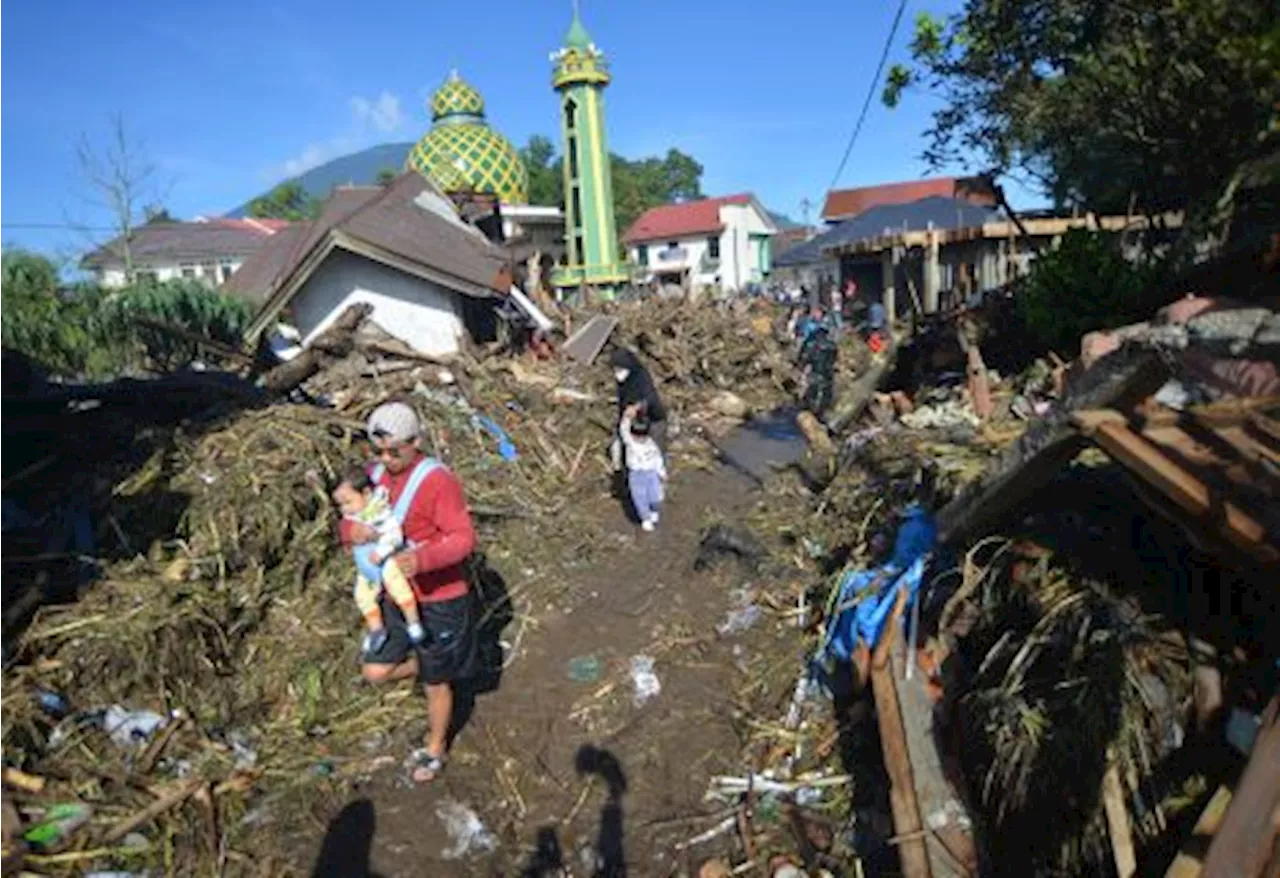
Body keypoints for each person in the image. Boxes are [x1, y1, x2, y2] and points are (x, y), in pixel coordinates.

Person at [341, 401, 478, 785]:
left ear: (416, 442)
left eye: (395, 451)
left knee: (437, 682)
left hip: (439, 597)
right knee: (375, 670)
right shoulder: (374, 478)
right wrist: (349, 534)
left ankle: (436, 747)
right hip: (396, 596)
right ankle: (434, 661)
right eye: (379, 451)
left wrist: (423, 559)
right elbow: (348, 516)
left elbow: (464, 538)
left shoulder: (437, 481)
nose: (386, 459)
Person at [332, 465, 425, 655]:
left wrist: (382, 551)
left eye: (348, 502)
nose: (344, 509)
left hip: (385, 559)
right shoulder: (353, 517)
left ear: (366, 493)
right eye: (341, 505)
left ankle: (413, 621)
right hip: (366, 565)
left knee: (397, 585)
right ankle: (376, 629)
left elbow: (394, 535)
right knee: (362, 595)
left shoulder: (380, 512)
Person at [616, 404, 667, 531]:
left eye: (641, 435)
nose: (638, 438)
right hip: (636, 474)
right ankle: (645, 518)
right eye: (636, 435)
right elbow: (623, 430)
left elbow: (657, 457)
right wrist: (627, 417)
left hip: (651, 473)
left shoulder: (650, 444)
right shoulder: (630, 442)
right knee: (640, 498)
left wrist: (661, 471)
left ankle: (654, 510)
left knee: (656, 497)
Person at [609, 348, 668, 452]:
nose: (617, 373)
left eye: (620, 370)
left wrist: (636, 407)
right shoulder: (623, 383)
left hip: (653, 421)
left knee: (654, 453)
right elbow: (622, 403)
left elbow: (650, 398)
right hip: (633, 423)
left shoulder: (641, 377)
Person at [799, 321, 838, 417]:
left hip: (816, 371)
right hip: (828, 373)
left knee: (812, 392)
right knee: (825, 394)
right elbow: (834, 359)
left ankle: (809, 411)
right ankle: (821, 413)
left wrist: (802, 366)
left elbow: (807, 358)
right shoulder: (832, 345)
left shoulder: (813, 345)